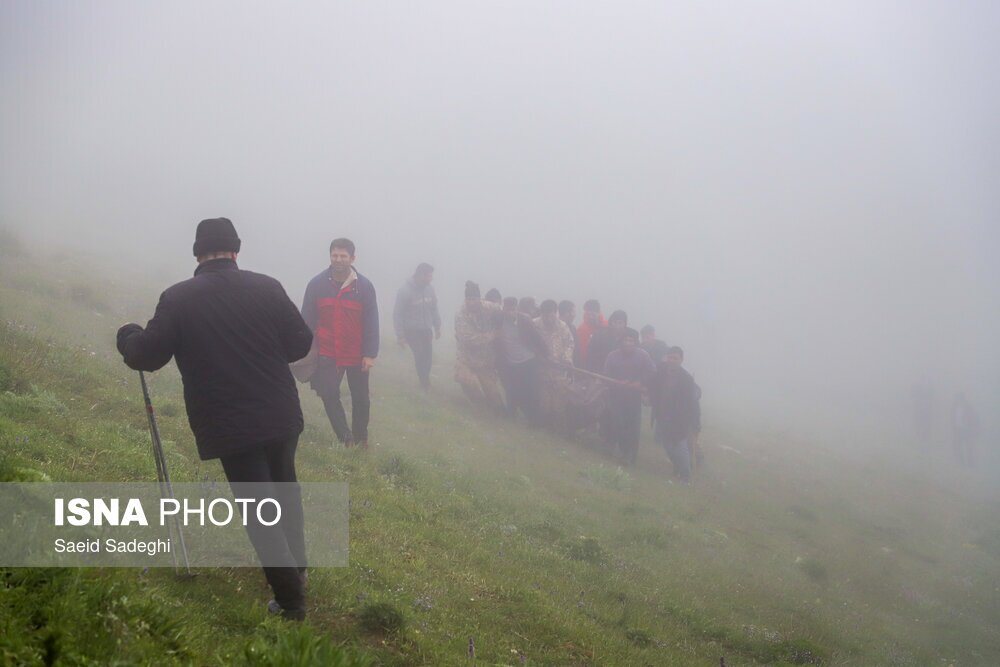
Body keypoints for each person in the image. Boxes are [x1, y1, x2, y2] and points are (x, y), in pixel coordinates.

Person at [116, 218, 312, 620]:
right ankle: (298, 568)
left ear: (198, 254)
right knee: (284, 491)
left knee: (259, 509)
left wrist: (127, 334)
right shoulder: (268, 287)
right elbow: (300, 343)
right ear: (235, 251)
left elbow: (146, 356)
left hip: (230, 422)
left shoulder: (179, 298)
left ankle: (291, 602)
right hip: (280, 412)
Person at [301, 238, 379, 448]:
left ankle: (361, 439)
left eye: (343, 256)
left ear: (352, 258)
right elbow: (306, 320)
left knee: (361, 399)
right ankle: (346, 439)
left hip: (357, 354)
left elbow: (371, 322)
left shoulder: (364, 287)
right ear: (330, 257)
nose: (338, 260)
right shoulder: (316, 285)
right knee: (328, 394)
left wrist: (370, 354)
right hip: (327, 352)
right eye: (335, 255)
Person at [603, 328, 656, 466]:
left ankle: (631, 456)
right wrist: (617, 382)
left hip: (634, 397)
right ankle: (621, 450)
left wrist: (639, 382)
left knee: (633, 427)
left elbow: (652, 373)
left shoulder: (643, 355)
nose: (628, 343)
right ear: (621, 342)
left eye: (631, 341)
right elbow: (606, 375)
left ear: (636, 343)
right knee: (618, 423)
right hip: (616, 396)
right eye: (625, 340)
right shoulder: (612, 356)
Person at [650, 346, 700, 482]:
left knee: (679, 445)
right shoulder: (660, 372)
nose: (672, 361)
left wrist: (696, 423)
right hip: (662, 414)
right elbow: (653, 387)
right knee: (666, 444)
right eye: (670, 357)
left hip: (680, 419)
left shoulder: (687, 379)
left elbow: (693, 402)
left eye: (675, 358)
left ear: (681, 360)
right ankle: (678, 467)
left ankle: (685, 476)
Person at [496, 296, 547, 426]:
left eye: (513, 309)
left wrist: (545, 354)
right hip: (510, 362)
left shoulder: (525, 320)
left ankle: (535, 421)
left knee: (532, 392)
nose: (510, 312)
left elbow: (538, 338)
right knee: (511, 390)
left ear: (516, 308)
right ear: (504, 308)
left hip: (528, 361)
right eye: (507, 309)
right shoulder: (498, 320)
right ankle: (511, 415)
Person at [454, 281, 503, 410]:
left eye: (474, 299)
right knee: (468, 381)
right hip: (466, 358)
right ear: (465, 299)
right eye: (469, 299)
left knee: (493, 396)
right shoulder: (461, 315)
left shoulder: (490, 307)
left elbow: (503, 312)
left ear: (479, 298)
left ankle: (498, 413)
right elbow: (469, 340)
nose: (471, 302)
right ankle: (479, 407)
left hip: (486, 360)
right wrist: (493, 335)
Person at [393, 262, 442, 390]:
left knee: (428, 356)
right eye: (428, 276)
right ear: (420, 275)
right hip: (412, 330)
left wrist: (437, 326)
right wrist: (400, 336)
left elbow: (434, 308)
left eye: (431, 276)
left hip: (427, 329)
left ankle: (425, 379)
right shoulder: (405, 291)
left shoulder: (430, 289)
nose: (431, 279)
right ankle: (425, 382)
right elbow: (397, 314)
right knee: (420, 355)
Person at [534, 299, 575, 426]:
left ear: (555, 313)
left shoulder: (563, 326)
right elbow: (529, 345)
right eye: (545, 315)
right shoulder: (534, 325)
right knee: (544, 403)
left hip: (559, 372)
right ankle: (544, 427)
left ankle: (560, 431)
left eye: (551, 314)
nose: (548, 318)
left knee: (559, 404)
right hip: (541, 370)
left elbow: (570, 344)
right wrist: (540, 357)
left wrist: (567, 358)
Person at [585, 309, 628, 374]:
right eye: (615, 322)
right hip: (599, 374)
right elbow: (590, 355)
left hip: (621, 378)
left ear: (625, 324)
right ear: (611, 322)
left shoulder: (630, 338)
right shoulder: (599, 335)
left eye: (620, 323)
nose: (617, 326)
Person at [951, 392, 980, 466]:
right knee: (957, 446)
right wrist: (954, 428)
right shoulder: (955, 407)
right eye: (957, 398)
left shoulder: (968, 407)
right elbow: (953, 418)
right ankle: (961, 463)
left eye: (959, 398)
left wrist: (972, 429)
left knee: (969, 448)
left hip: (967, 430)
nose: (957, 400)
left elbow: (973, 419)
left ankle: (971, 464)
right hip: (958, 430)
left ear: (962, 399)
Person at [576, 299, 606, 365]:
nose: (590, 317)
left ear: (599, 312)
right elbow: (580, 352)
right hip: (586, 366)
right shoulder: (581, 329)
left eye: (593, 314)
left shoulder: (607, 326)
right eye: (588, 314)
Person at [558, 300, 581, 367]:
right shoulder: (556, 328)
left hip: (572, 366)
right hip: (561, 366)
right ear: (567, 313)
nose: (575, 315)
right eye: (574, 311)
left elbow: (576, 349)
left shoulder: (572, 328)